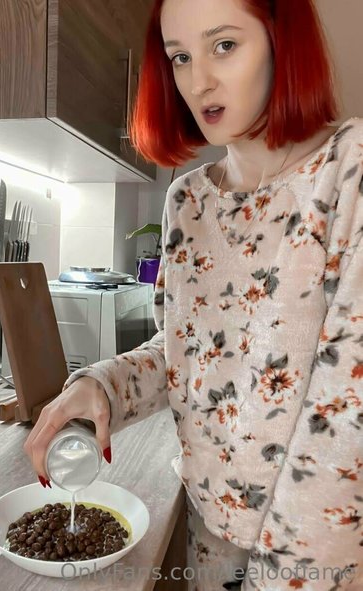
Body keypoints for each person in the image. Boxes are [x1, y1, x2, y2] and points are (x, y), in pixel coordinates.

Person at [24, 0, 363, 588]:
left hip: (316, 560)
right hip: (207, 532)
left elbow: (348, 417)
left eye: (224, 45)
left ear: (282, 42)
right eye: (180, 57)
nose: (197, 81)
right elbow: (184, 352)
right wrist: (101, 385)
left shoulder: (348, 169)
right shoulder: (186, 201)